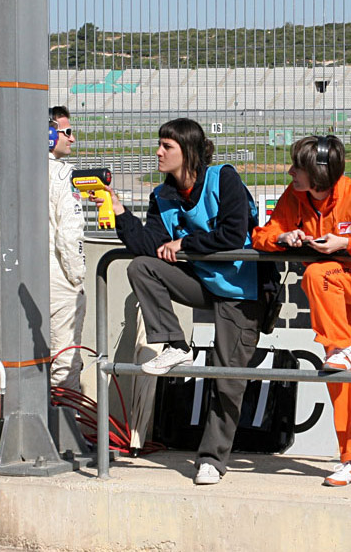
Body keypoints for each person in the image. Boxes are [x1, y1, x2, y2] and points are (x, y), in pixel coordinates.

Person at [103, 117, 264, 486]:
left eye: (167, 147)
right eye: (159, 145)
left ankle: (211, 459)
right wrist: (120, 212)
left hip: (242, 291)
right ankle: (175, 343)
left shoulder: (224, 179)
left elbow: (232, 234)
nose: (158, 152)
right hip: (202, 283)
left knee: (227, 379)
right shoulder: (162, 195)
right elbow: (148, 248)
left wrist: (185, 245)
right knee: (142, 268)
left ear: (188, 151)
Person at [253, 135, 351, 486]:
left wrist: (347, 243)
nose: (291, 172)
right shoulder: (296, 197)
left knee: (319, 273)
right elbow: (265, 233)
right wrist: (283, 238)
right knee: (341, 370)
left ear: (319, 173)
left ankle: (341, 348)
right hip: (331, 290)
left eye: (299, 168)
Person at [48, 105, 86, 391]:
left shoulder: (11, 169)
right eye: (67, 132)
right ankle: (66, 428)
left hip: (17, 273)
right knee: (65, 358)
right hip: (59, 277)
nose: (72, 139)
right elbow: (69, 236)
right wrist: (78, 277)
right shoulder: (63, 175)